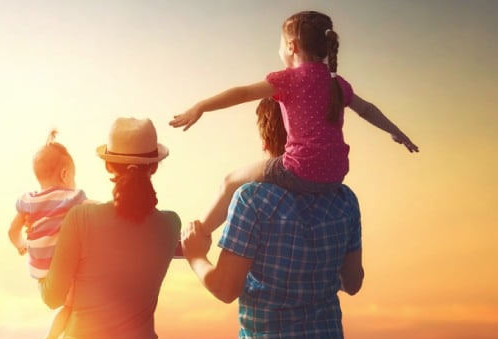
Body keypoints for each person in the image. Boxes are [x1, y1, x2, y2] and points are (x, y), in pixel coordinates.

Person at [169, 10, 419, 237]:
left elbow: (242, 93)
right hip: (335, 174)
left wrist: (200, 106)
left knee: (230, 181)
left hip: (299, 169)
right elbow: (367, 110)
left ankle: (197, 235)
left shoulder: (288, 80)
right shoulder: (337, 83)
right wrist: (395, 132)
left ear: (291, 46)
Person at [180, 96, 364, 339]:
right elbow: (353, 283)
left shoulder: (252, 199)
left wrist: (195, 256)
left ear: (265, 145)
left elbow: (225, 289)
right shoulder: (345, 200)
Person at [38, 117, 181, 339]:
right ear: (154, 166)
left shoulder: (79, 219)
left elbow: (52, 298)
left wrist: (38, 255)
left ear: (108, 165)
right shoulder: (170, 224)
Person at [8, 130, 88, 339]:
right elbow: (95, 209)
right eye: (73, 175)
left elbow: (12, 230)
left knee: (68, 305)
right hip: (63, 270)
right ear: (65, 174)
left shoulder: (29, 201)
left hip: (41, 273)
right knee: (72, 306)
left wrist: (21, 245)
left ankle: (52, 337)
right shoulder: (71, 198)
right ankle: (54, 337)